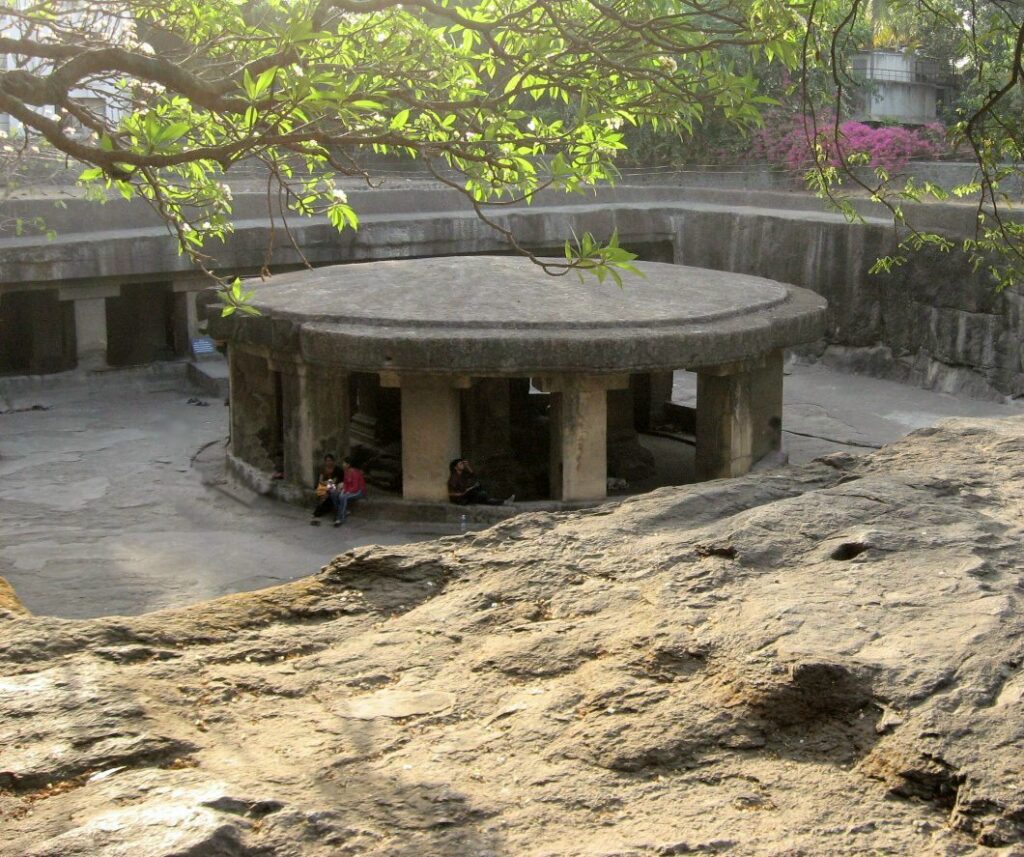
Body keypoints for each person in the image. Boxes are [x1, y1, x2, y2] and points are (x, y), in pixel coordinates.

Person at [447, 458, 513, 506]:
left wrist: (467, 466)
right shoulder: (454, 478)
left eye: (462, 464)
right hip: (460, 499)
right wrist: (463, 493)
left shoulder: (463, 475)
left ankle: (504, 502)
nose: (462, 465)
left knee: (483, 497)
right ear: (455, 467)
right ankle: (503, 502)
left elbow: (473, 475)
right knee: (482, 494)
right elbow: (451, 493)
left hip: (465, 496)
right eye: (460, 464)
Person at [311, 453, 344, 525]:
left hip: (334, 487)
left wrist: (327, 483)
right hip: (324, 486)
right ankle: (318, 512)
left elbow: (335, 482)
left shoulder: (337, 470)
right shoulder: (323, 469)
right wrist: (327, 483)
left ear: (333, 461)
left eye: (330, 460)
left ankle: (319, 512)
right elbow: (320, 480)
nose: (328, 462)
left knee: (328, 493)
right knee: (322, 494)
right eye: (327, 461)